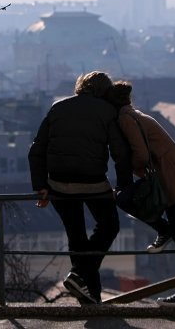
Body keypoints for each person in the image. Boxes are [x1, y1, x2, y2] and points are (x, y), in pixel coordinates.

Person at [28, 71, 133, 304]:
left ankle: (89, 295)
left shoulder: (57, 107)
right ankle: (81, 276)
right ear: (105, 92)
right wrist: (124, 185)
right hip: (93, 183)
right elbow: (120, 154)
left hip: (58, 185)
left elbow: (37, 150)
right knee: (109, 226)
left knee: (77, 237)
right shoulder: (107, 112)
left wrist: (41, 186)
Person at [105, 80, 175, 305]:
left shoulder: (125, 119)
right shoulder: (136, 114)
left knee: (124, 198)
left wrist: (130, 167)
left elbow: (140, 154)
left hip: (167, 176)